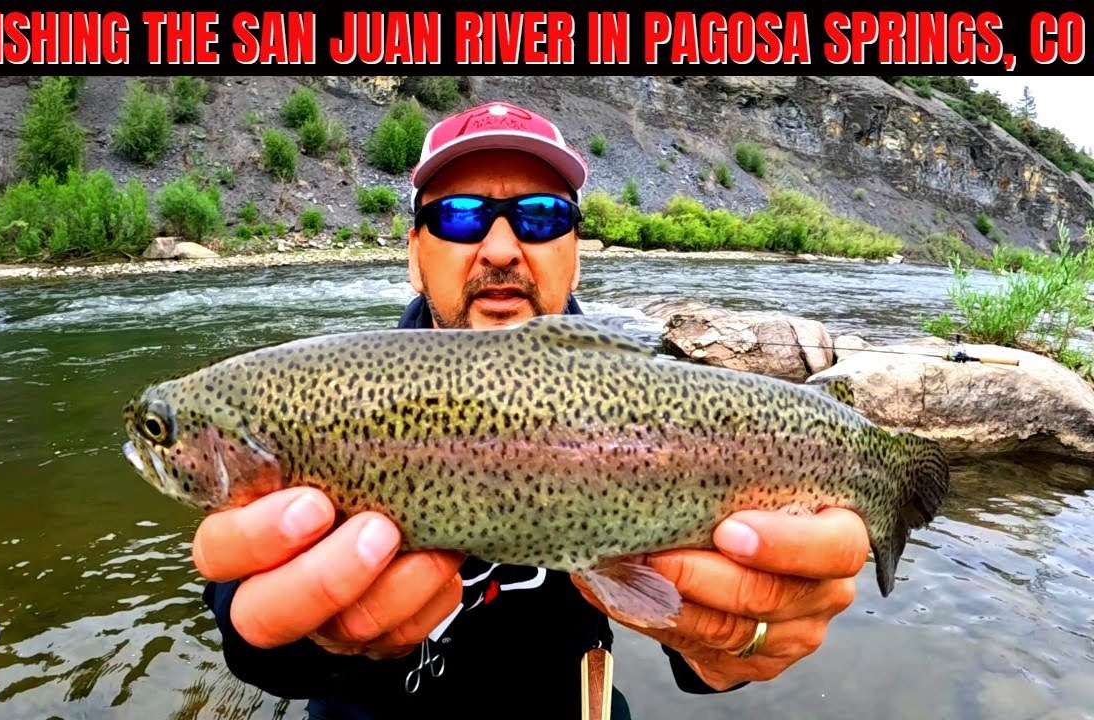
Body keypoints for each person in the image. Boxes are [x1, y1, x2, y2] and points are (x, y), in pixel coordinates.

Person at [192, 101, 869, 719]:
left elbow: (697, 642)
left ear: (576, 253)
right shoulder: (324, 397)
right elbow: (247, 622)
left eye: (541, 216)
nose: (500, 247)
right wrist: (284, 638)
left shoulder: (659, 400)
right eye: (459, 216)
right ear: (413, 256)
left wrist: (740, 643)